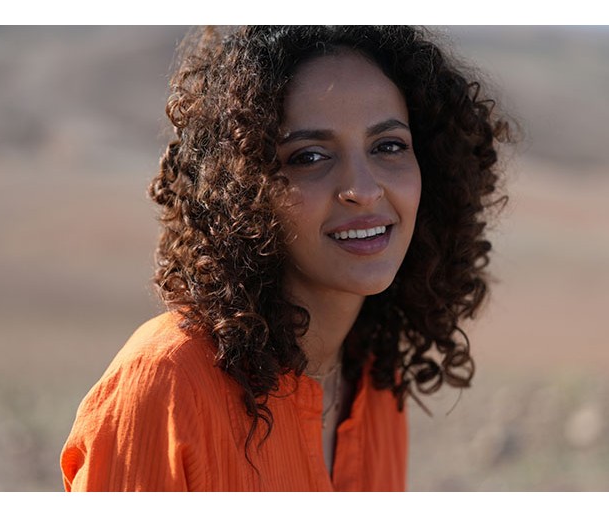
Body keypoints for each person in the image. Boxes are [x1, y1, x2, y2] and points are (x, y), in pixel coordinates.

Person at [60, 25, 512, 491]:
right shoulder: (168, 384)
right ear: (243, 188)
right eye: (310, 157)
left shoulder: (373, 383)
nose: (363, 189)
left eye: (389, 146)